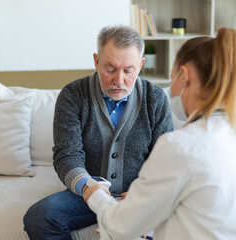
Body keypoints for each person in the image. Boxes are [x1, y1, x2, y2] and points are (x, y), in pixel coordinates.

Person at [82, 27, 236, 240]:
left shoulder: (180, 146)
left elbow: (119, 225)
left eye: (173, 79)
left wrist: (95, 195)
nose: (171, 92)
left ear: (185, 76)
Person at [23, 25, 173, 239]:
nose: (119, 80)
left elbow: (165, 160)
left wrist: (144, 195)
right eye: (110, 69)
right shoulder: (73, 95)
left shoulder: (155, 99)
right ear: (96, 61)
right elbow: (67, 155)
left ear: (140, 66)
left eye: (128, 70)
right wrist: (89, 188)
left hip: (139, 196)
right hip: (87, 194)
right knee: (39, 218)